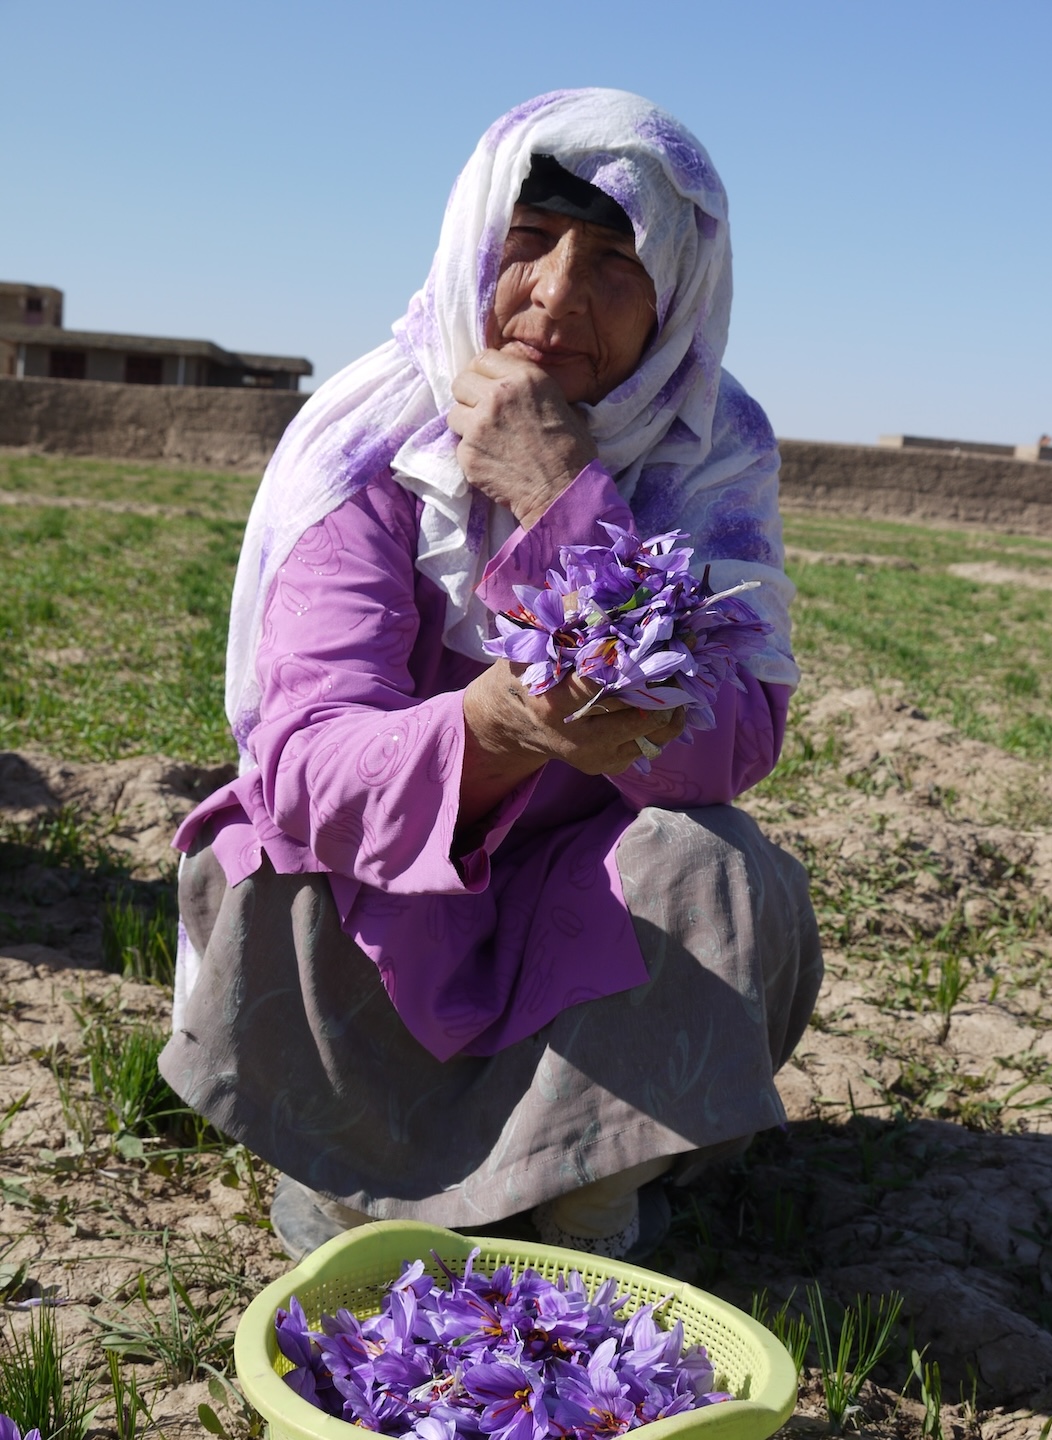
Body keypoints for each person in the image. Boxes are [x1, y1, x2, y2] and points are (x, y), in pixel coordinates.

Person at [158, 88, 822, 1265]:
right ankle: (367, 1177)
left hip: (578, 915)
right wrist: (502, 728)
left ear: (678, 290)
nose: (558, 295)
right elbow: (312, 765)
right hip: (397, 911)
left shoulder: (711, 454)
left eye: (617, 259)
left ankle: (582, 1197)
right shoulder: (371, 441)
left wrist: (565, 503)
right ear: (476, 245)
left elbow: (732, 743)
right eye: (527, 243)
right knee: (277, 870)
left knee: (712, 864)